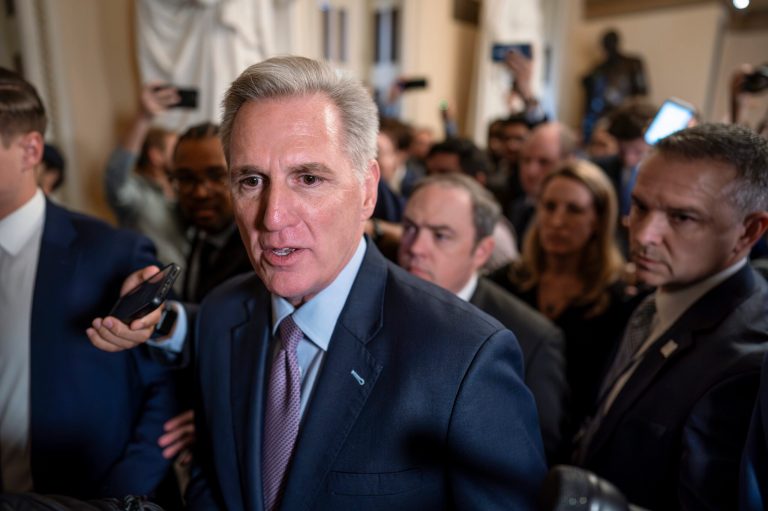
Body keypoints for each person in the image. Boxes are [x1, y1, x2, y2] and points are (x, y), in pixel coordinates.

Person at [173, 55, 545, 510]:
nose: (272, 217)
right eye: (251, 181)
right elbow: (215, 477)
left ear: (368, 189)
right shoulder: (221, 314)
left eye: (308, 178)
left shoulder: (464, 356)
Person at [0, 67, 178, 499]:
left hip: (81, 498)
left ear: (30, 150)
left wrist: (116, 499)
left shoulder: (112, 252)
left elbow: (165, 390)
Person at [574, 123, 768, 511]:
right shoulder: (654, 295)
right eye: (641, 206)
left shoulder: (745, 365)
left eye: (682, 217)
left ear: (748, 231)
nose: (644, 234)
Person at [397, 172, 567, 462]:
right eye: (410, 228)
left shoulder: (531, 340)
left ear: (482, 251)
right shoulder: (376, 297)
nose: (415, 248)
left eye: (440, 236)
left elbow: (533, 459)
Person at [490, 159, 631, 441]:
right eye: (549, 206)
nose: (557, 221)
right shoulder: (506, 282)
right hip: (498, 427)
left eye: (574, 210)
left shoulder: (618, 300)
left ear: (598, 220)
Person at [104, 83, 189, 271]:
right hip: (157, 289)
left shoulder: (183, 189)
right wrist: (144, 117)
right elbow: (116, 180)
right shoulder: (137, 194)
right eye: (174, 150)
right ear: (155, 155)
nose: (181, 155)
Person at [169, 122, 252, 304]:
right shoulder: (201, 235)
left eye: (216, 176)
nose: (200, 192)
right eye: (186, 178)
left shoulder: (258, 250)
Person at [505, 122, 579, 246]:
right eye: (526, 160)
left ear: (568, 163)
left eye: (544, 162)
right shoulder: (518, 208)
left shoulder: (578, 216)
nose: (531, 172)